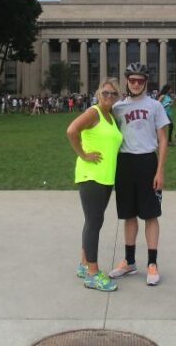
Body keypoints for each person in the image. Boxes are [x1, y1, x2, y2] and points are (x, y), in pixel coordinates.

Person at [109, 62, 169, 287]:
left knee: (151, 214)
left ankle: (152, 263)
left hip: (147, 162)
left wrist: (159, 171)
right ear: (126, 81)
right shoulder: (118, 107)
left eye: (140, 80)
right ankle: (129, 261)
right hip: (125, 163)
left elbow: (163, 139)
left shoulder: (155, 106)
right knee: (129, 214)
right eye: (132, 80)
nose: (135, 84)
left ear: (145, 82)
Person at [66, 78, 123, 292]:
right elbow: (72, 130)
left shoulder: (111, 116)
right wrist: (83, 154)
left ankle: (84, 264)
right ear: (99, 93)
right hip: (91, 176)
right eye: (105, 92)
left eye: (113, 93)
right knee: (94, 222)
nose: (109, 96)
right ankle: (92, 274)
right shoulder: (94, 112)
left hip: (106, 178)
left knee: (94, 222)